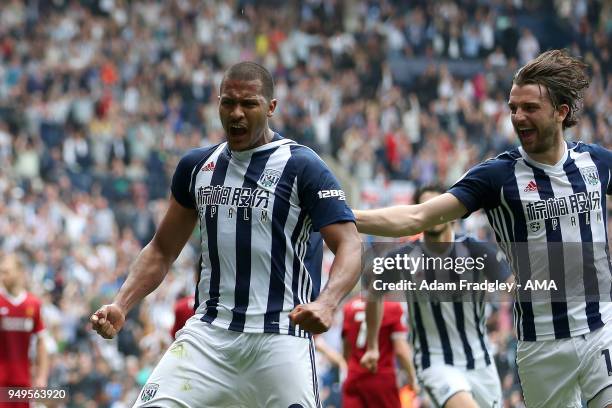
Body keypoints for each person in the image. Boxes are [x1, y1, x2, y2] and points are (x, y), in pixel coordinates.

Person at [90, 61, 362, 408]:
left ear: (271, 108)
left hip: (279, 338)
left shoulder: (302, 166)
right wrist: (122, 303)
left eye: (248, 104)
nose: (236, 113)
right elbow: (161, 250)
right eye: (227, 102)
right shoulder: (197, 167)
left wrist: (327, 302)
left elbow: (350, 243)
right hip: (209, 334)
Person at [354, 49, 612, 408]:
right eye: (512, 108)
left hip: (602, 331)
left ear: (561, 112)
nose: (518, 117)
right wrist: (340, 213)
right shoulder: (497, 176)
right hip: (541, 346)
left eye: (530, 108)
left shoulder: (596, 162)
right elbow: (416, 217)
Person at [360, 185, 509, 408]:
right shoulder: (404, 257)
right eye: (425, 208)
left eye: (437, 206)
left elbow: (510, 285)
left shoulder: (476, 250)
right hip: (435, 362)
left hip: (481, 362)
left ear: (452, 212)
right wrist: (372, 345)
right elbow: (374, 292)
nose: (432, 214)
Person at [341, 294, 418, 408]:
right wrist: (412, 378)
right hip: (380, 377)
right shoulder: (393, 307)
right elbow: (401, 350)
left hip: (354, 377)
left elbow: (347, 348)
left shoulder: (349, 307)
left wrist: (351, 368)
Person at [0, 253, 49, 408]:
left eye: (6, 271)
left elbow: (41, 341)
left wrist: (42, 376)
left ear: (20, 272)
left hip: (23, 382)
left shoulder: (33, 304)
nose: (2, 276)